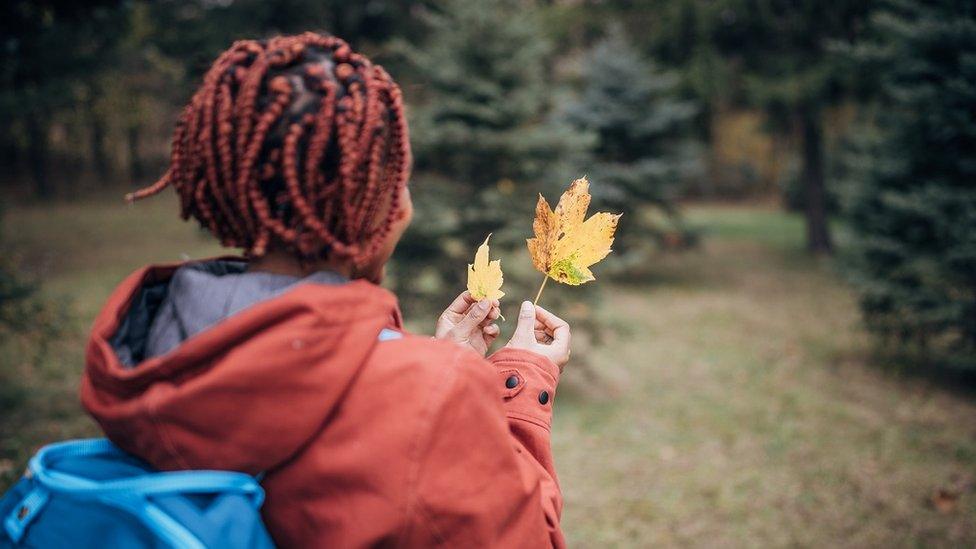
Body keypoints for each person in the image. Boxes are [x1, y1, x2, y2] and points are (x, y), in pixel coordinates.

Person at [81, 32, 570, 547]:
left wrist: (437, 362)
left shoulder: (145, 338)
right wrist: (514, 390)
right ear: (384, 206)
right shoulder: (430, 395)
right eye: (396, 178)